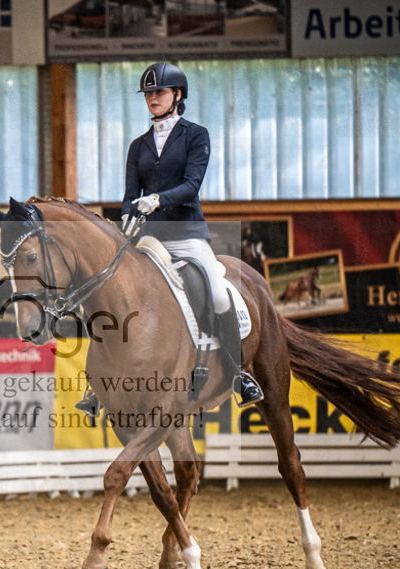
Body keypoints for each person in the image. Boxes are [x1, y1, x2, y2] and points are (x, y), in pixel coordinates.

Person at [77, 62, 262, 418]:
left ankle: (238, 372)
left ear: (177, 96)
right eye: (148, 93)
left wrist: (159, 199)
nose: (152, 99)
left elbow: (192, 186)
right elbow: (130, 194)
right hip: (149, 239)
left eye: (159, 92)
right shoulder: (138, 146)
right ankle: (99, 382)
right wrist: (129, 212)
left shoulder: (196, 136)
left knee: (218, 293)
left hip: (187, 235)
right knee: (112, 291)